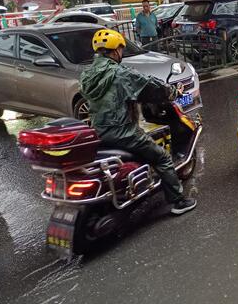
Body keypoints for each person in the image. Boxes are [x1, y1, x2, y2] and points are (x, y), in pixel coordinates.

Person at [80, 29, 197, 215]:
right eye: (120, 49)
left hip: (98, 131)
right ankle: (178, 202)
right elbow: (150, 87)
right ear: (116, 51)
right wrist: (172, 92)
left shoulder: (87, 75)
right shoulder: (120, 73)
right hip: (123, 132)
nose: (121, 53)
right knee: (163, 158)